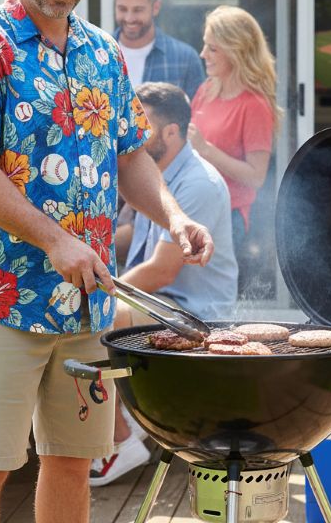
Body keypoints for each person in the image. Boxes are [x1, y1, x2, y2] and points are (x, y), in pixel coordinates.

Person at [0, 0, 213, 523]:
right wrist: (56, 240)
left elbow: (131, 156)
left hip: (86, 304)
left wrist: (174, 217)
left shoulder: (103, 53)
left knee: (72, 462)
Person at [90, 81, 237, 487]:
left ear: (171, 132)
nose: (131, 130)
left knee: (98, 317)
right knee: (92, 311)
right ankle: (127, 420)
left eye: (143, 124)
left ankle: (120, 438)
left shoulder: (198, 183)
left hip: (192, 311)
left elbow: (161, 271)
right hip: (161, 300)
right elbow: (130, 237)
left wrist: (99, 290)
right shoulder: (158, 170)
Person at [189, 5, 280, 293]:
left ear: (236, 51)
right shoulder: (206, 89)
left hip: (227, 217)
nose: (203, 54)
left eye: (213, 48)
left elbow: (256, 176)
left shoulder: (254, 105)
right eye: (205, 45)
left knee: (207, 298)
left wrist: (206, 149)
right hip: (193, 208)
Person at [113, 0, 204, 99]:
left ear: (156, 7)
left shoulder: (185, 59)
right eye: (122, 9)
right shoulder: (95, 53)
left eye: (138, 10)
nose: (129, 18)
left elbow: (197, 111)